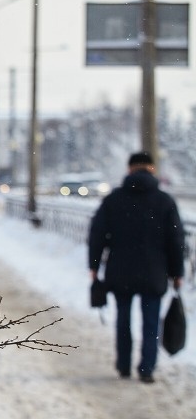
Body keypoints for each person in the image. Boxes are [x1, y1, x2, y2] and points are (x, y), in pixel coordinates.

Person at [88, 151, 185, 384]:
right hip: (154, 272)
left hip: (120, 271)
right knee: (150, 321)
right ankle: (147, 368)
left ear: (129, 169)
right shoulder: (165, 201)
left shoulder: (113, 199)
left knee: (123, 320)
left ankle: (123, 365)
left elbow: (97, 234)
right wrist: (177, 272)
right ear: (152, 169)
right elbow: (176, 240)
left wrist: (93, 265)